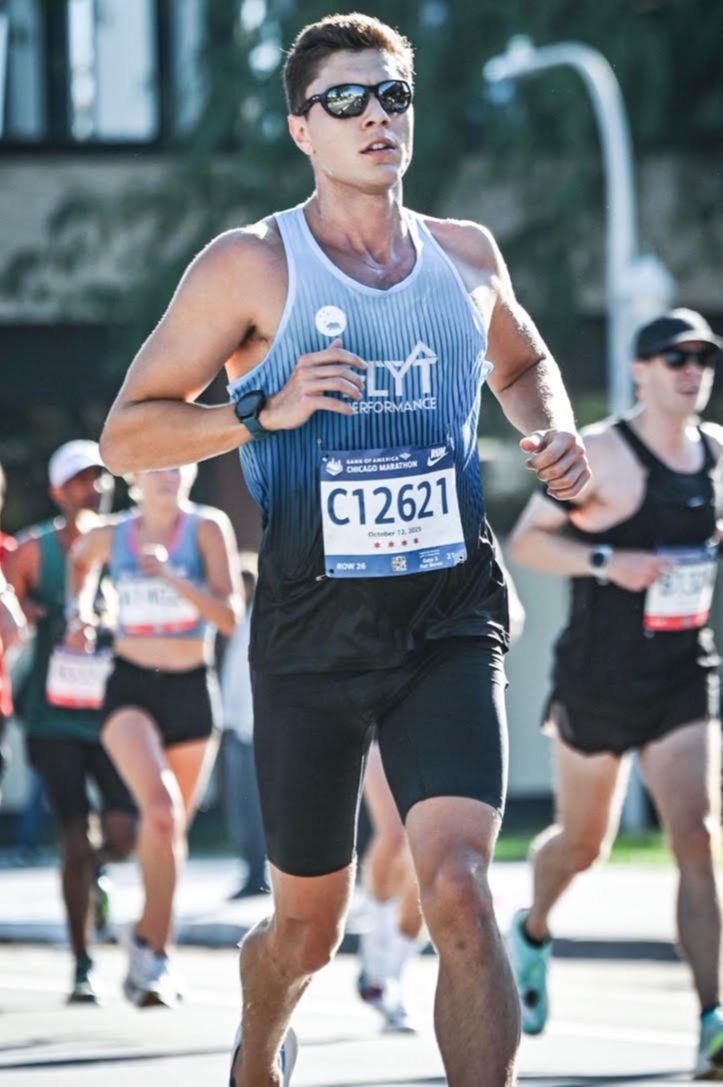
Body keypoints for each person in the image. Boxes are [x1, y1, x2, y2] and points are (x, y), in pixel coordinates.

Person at [98, 13, 589, 1084]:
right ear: (300, 129)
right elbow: (127, 430)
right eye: (346, 100)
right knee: (304, 932)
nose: (376, 115)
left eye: (393, 96)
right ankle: (262, 1024)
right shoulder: (251, 266)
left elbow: (525, 360)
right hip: (311, 633)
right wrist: (257, 412)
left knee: (457, 882)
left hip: (447, 615)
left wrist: (549, 428)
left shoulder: (466, 255)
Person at [506, 308, 723, 1080]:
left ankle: (712, 1021)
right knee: (581, 846)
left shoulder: (715, 454)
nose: (690, 370)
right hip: (596, 680)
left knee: (695, 836)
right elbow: (525, 540)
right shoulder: (600, 451)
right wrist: (605, 559)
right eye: (673, 357)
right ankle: (530, 929)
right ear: (639, 369)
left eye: (701, 357)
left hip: (680, 676)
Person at [66, 464, 241, 1007]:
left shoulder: (208, 528)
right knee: (159, 811)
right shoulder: (111, 535)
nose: (169, 476)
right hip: (131, 688)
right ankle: (154, 955)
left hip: (191, 689)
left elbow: (231, 617)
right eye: (156, 468)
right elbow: (79, 562)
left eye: (178, 466)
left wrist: (173, 579)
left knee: (171, 832)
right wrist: (81, 611)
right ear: (136, 478)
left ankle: (149, 945)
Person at [357, 544, 526, 1035]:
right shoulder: (375, 528)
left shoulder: (468, 534)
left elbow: (509, 611)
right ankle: (379, 932)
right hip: (378, 697)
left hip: (447, 695)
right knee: (392, 836)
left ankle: (393, 972)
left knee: (433, 854)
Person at [4, 441, 137, 1003]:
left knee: (128, 832)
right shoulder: (34, 550)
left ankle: (100, 873)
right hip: (53, 715)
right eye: (81, 480)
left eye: (100, 479)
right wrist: (32, 613)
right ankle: (84, 962)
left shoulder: (130, 541)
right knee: (72, 837)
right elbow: (11, 606)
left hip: (115, 710)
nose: (94, 487)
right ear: (59, 491)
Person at [219, 552, 269, 900]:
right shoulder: (239, 623)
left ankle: (258, 876)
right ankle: (252, 871)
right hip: (236, 728)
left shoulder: (262, 621)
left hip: (255, 730)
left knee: (255, 809)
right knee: (242, 808)